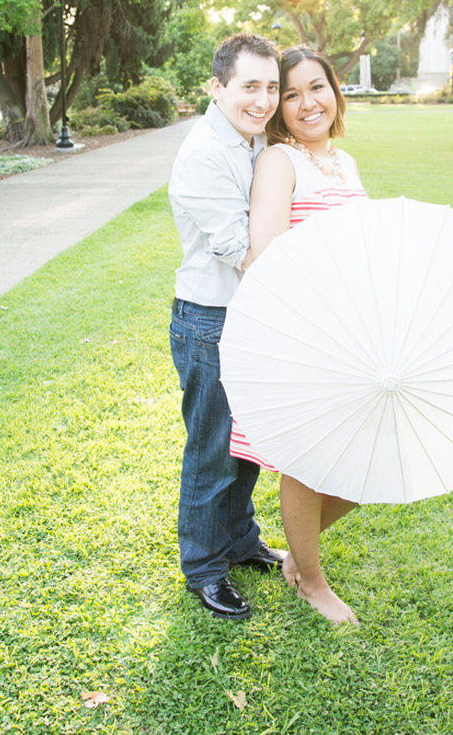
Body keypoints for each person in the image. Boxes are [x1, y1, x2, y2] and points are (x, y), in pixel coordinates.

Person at [232, 44, 368, 625]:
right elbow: (266, 254)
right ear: (279, 110)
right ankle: (310, 580)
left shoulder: (344, 161)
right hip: (301, 329)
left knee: (365, 462)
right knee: (308, 460)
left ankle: (296, 555)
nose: (307, 102)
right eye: (291, 95)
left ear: (334, 91)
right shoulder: (280, 162)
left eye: (317, 87)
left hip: (353, 329)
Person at [168, 32, 285, 621]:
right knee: (213, 449)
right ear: (217, 87)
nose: (263, 100)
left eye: (271, 87)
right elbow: (244, 251)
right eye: (250, 87)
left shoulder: (252, 138)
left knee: (247, 446)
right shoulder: (204, 156)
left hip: (251, 316)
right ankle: (205, 566)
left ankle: (239, 539)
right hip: (209, 320)